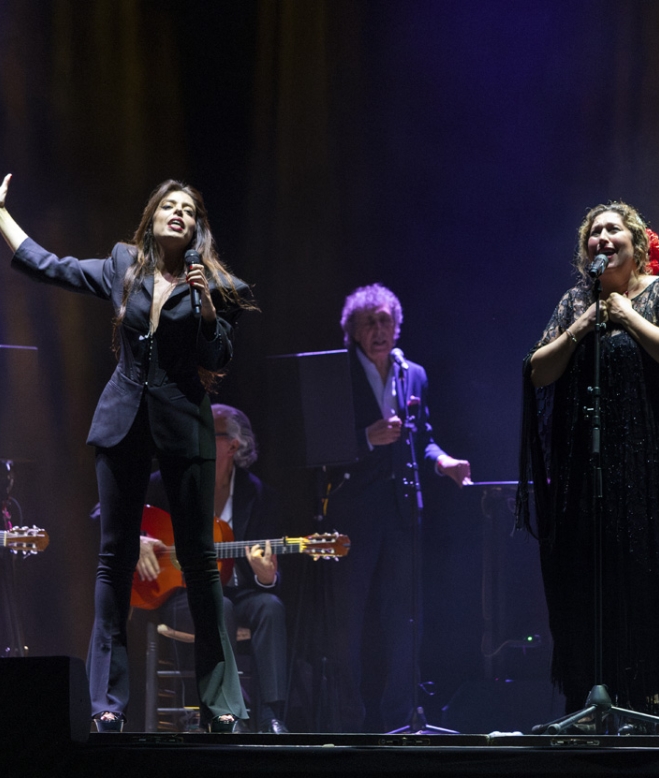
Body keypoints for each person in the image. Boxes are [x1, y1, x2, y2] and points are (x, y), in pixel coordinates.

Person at [0, 163, 253, 732]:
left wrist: (208, 308)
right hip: (121, 421)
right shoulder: (124, 264)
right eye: (171, 206)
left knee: (199, 563)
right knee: (114, 560)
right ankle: (108, 706)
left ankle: (222, 704)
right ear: (153, 219)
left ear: (198, 230)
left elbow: (218, 359)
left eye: (190, 211)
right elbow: (51, 267)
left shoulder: (217, 286)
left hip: (184, 425)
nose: (180, 214)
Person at [517, 202, 659, 723]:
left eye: (612, 229)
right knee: (586, 587)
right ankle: (587, 707)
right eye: (593, 233)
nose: (601, 237)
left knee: (643, 590)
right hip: (586, 475)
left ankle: (647, 709)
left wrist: (629, 317)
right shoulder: (575, 301)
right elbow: (537, 371)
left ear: (637, 244)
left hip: (648, 475)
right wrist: (581, 326)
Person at [322, 283, 471, 732]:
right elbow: (319, 445)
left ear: (397, 325)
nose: (379, 329)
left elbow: (422, 438)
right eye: (369, 322)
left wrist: (444, 462)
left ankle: (402, 717)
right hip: (352, 513)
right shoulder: (338, 372)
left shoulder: (414, 374)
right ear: (353, 330)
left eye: (385, 320)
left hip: (403, 511)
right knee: (347, 622)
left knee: (405, 619)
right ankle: (347, 720)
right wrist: (367, 437)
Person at [137, 404, 289, 733]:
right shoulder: (167, 482)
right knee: (220, 606)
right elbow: (102, 515)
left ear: (233, 445)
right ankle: (226, 713)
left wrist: (267, 578)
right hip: (181, 594)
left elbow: (271, 575)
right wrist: (137, 540)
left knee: (271, 607)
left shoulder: (261, 497)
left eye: (206, 433)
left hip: (238, 589)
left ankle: (271, 717)